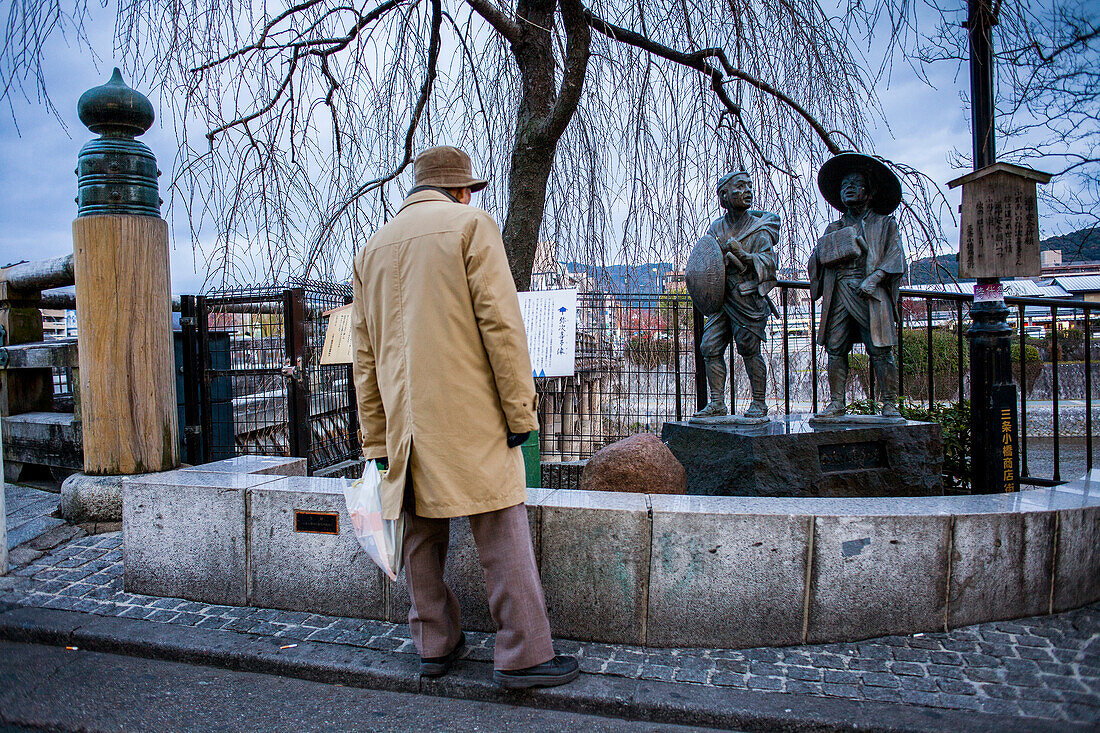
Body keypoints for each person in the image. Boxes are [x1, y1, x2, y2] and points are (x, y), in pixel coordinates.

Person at [351, 145, 578, 689]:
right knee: (501, 527)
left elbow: (364, 357)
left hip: (404, 425)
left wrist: (376, 439)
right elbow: (502, 327)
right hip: (470, 417)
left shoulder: (372, 249)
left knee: (420, 536)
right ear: (460, 190)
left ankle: (434, 643)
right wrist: (519, 411)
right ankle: (523, 652)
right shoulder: (471, 226)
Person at [809, 152, 905, 418]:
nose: (848, 187)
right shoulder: (833, 227)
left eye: (855, 182)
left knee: (880, 349)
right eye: (843, 185)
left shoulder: (884, 224)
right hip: (839, 290)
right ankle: (837, 402)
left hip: (870, 292)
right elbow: (818, 259)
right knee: (835, 347)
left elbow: (896, 257)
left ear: (870, 191)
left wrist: (874, 279)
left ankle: (889, 403)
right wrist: (820, 254)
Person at [694, 171, 779, 419]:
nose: (747, 191)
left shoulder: (758, 228)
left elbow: (769, 263)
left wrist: (745, 256)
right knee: (709, 346)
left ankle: (759, 403)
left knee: (749, 348)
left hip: (747, 298)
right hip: (722, 298)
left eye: (749, 186)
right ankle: (717, 403)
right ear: (724, 196)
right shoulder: (716, 228)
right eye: (740, 187)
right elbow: (706, 261)